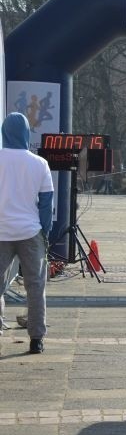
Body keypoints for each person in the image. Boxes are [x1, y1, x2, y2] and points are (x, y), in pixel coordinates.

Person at [0, 112, 54, 354]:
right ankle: (36, 339)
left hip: (1, 231)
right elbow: (46, 203)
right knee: (35, 287)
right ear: (25, 133)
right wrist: (46, 232)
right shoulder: (39, 163)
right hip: (30, 232)